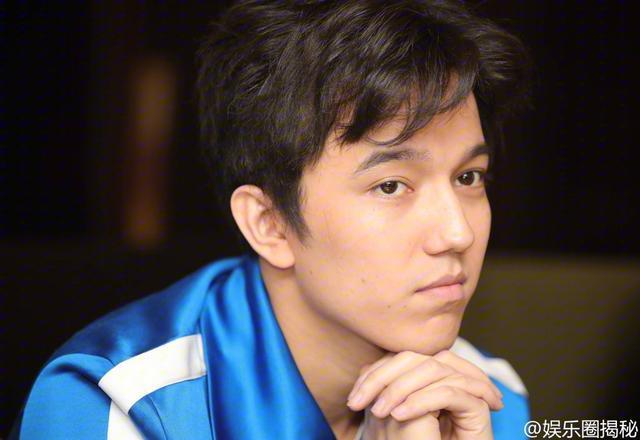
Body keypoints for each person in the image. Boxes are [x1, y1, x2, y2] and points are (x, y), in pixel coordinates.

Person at [11, 0, 532, 438]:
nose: (457, 233)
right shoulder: (123, 403)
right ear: (269, 223)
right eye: (391, 185)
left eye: (469, 177)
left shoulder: (485, 394)